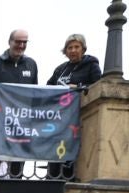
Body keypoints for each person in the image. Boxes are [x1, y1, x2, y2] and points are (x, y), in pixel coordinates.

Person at [0, 30, 39, 177]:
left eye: (24, 42)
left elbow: (35, 94)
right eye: (18, 42)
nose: (21, 45)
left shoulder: (31, 65)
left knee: (17, 168)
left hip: (21, 124)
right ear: (10, 42)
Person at [47, 34, 101, 179]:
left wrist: (79, 87)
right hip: (59, 117)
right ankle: (52, 176)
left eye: (76, 47)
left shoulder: (91, 65)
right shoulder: (60, 69)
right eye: (69, 48)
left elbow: (98, 87)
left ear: (83, 49)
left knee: (73, 148)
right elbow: (48, 87)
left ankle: (71, 177)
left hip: (79, 116)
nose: (73, 50)